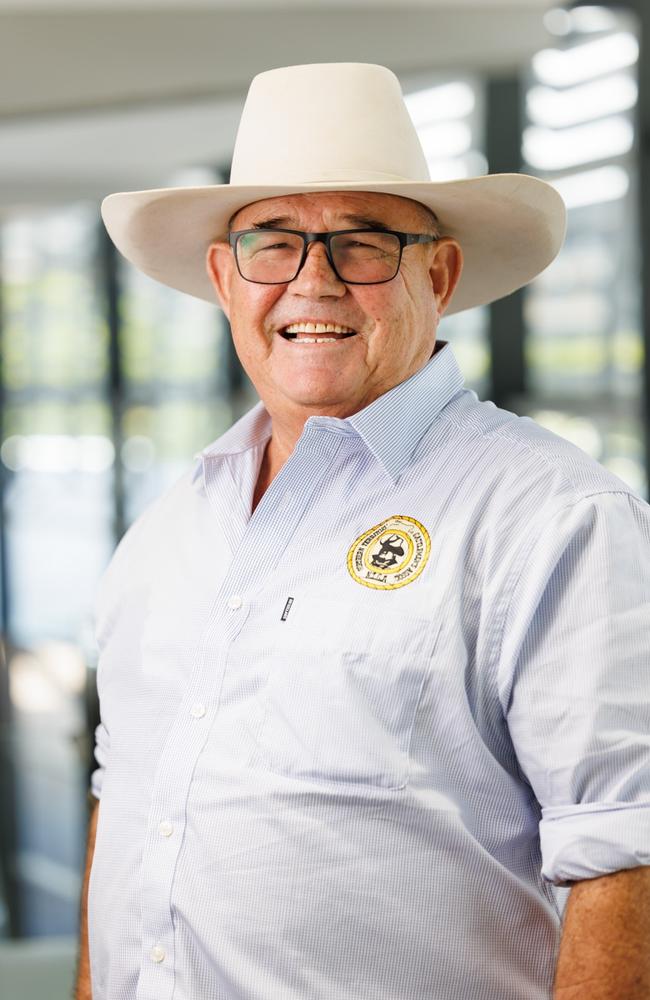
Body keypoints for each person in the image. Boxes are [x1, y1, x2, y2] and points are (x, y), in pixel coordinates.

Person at [76, 63, 650, 1000]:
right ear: (225, 278)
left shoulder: (556, 519)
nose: (314, 283)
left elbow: (632, 857)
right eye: (273, 245)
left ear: (440, 271)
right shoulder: (170, 526)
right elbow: (126, 808)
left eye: (362, 244)